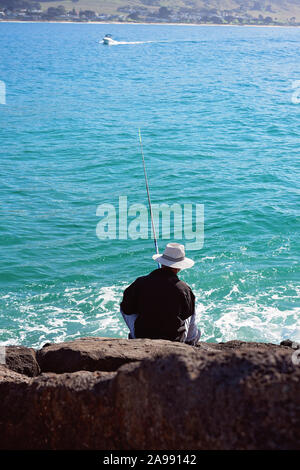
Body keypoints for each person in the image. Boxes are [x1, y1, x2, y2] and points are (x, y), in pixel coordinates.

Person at [120, 242, 201, 345]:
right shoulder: (184, 288)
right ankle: (190, 341)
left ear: (162, 263)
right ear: (179, 268)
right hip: (174, 339)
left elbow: (126, 308)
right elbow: (187, 313)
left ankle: (134, 336)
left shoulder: (140, 282)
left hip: (142, 335)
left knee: (125, 304)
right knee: (191, 308)